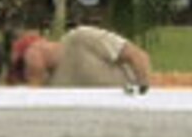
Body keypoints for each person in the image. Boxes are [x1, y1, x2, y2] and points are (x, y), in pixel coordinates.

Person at [8, 25, 153, 91]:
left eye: (23, 66)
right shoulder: (52, 89)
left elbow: (137, 55)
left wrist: (143, 93)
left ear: (35, 48)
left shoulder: (81, 38)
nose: (26, 75)